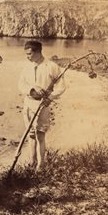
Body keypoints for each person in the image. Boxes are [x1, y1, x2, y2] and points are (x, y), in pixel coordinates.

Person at [18, 41, 66, 172]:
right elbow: (21, 85)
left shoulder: (51, 66)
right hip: (28, 103)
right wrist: (32, 89)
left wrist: (49, 98)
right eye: (26, 54)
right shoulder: (27, 66)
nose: (27, 57)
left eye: (29, 54)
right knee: (31, 134)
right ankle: (31, 162)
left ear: (38, 52)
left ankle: (41, 165)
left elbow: (62, 87)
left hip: (42, 105)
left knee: (40, 135)